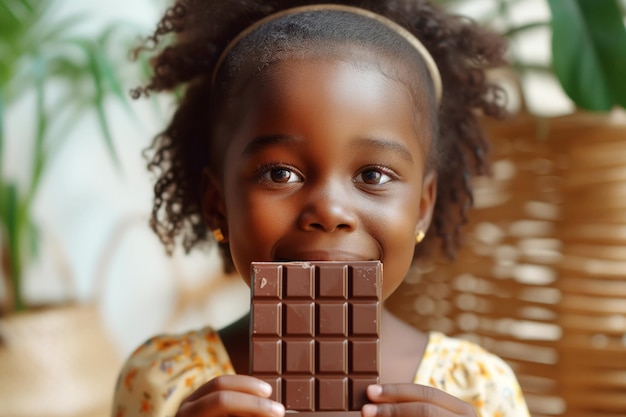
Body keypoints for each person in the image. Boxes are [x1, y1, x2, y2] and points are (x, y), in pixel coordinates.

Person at [113, 1, 530, 416]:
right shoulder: (163, 382)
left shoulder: (479, 389)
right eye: (279, 174)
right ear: (217, 205)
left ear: (422, 207)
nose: (330, 211)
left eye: (373, 175)